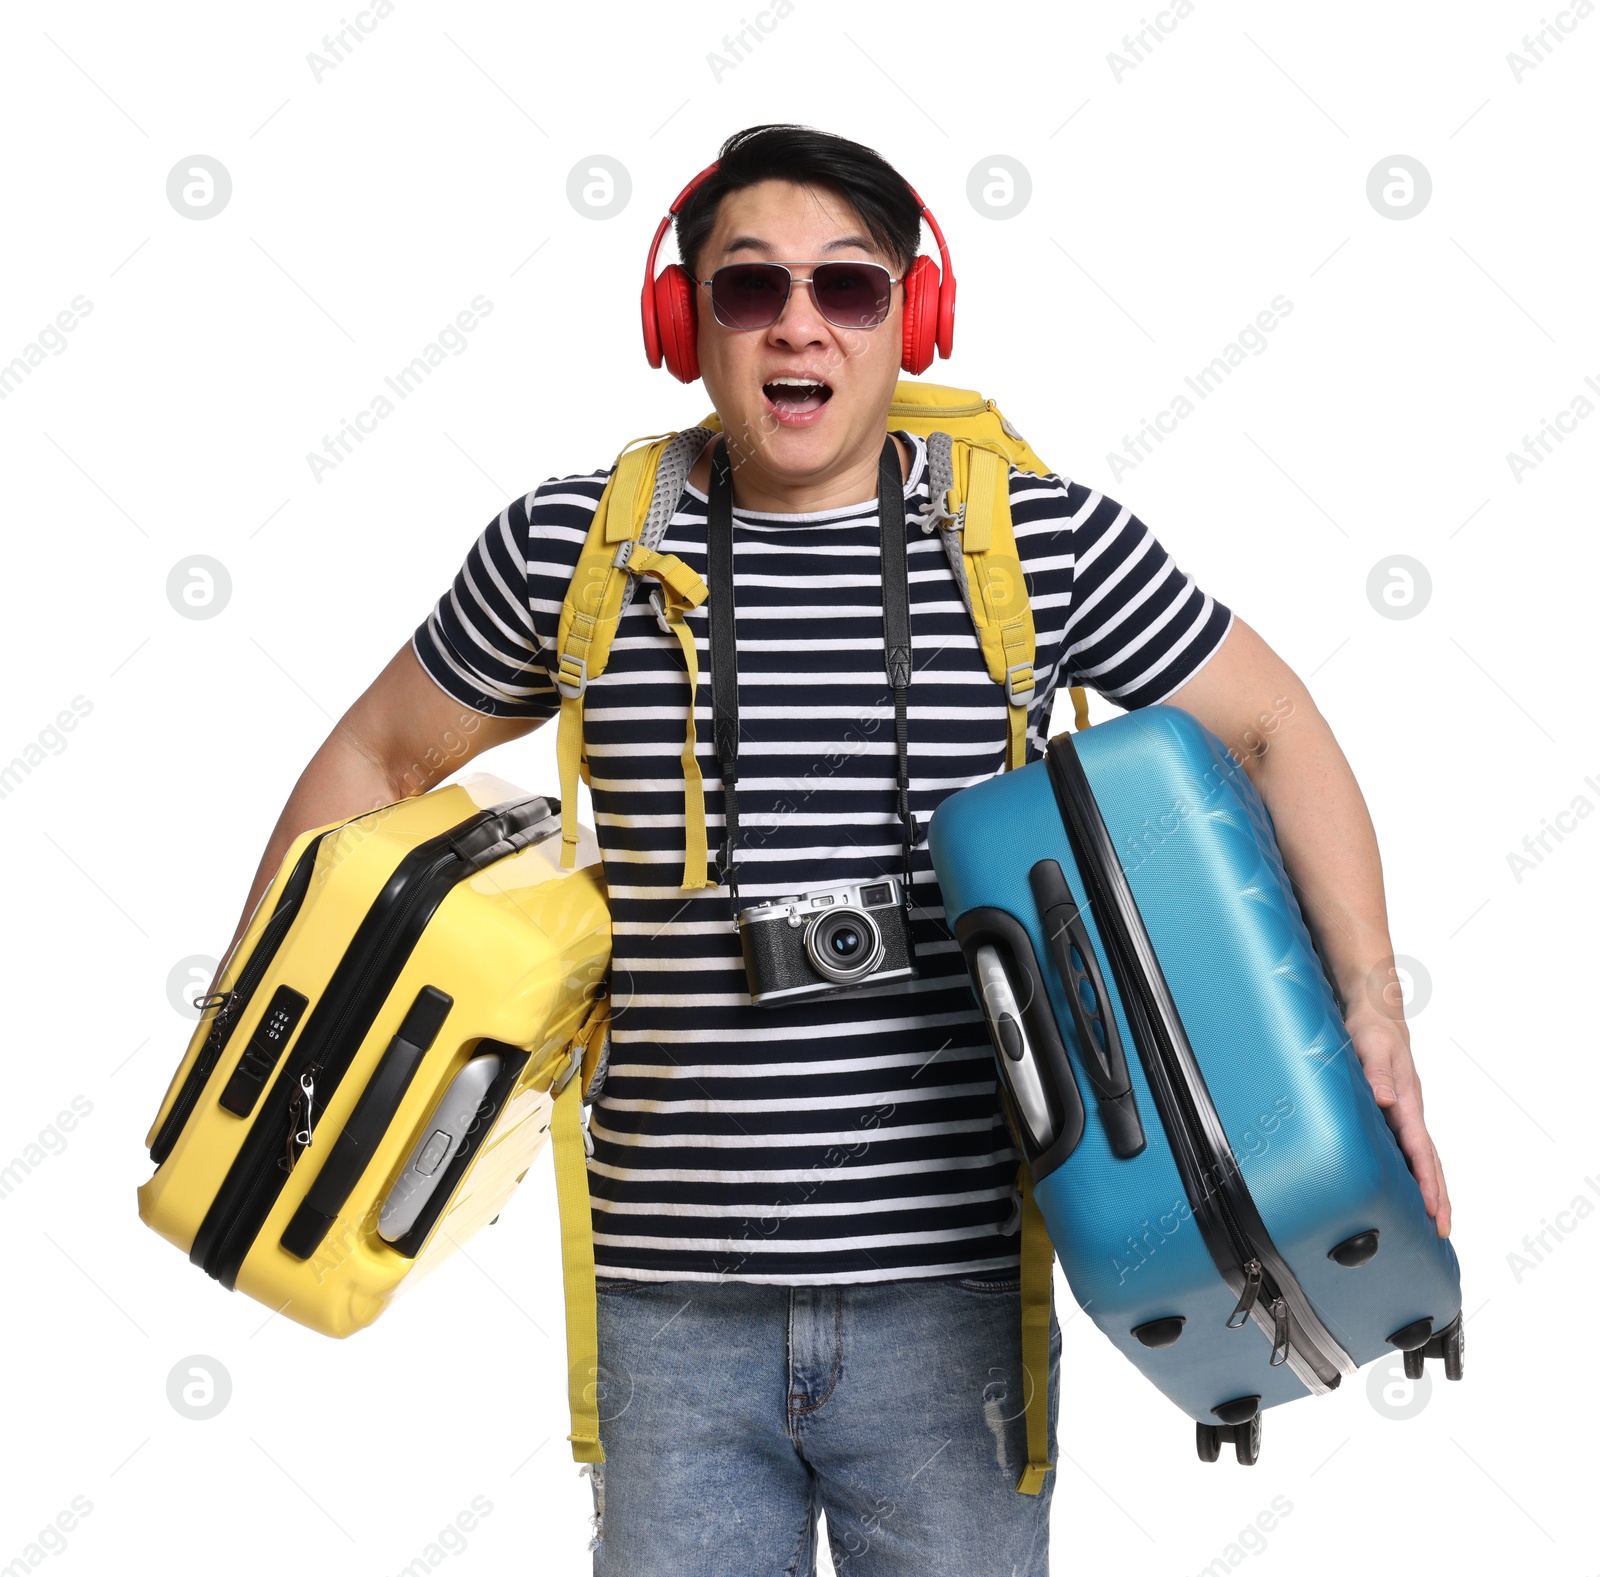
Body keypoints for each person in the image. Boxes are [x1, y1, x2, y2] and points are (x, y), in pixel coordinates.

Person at [223, 124, 1451, 1576]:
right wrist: (268, 1031)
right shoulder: (575, 553)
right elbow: (378, 756)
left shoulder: (1035, 545)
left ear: (909, 318)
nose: (798, 324)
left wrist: (1373, 1003)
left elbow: (1271, 728)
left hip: (949, 1310)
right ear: (683, 326)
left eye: (848, 289)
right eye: (748, 290)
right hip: (668, 1312)